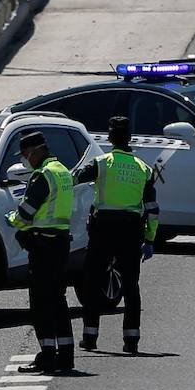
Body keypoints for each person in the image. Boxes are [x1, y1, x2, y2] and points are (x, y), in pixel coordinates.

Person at [75, 116, 159, 354]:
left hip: (104, 229)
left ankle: (90, 337)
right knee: (131, 285)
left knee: (92, 282)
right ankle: (131, 340)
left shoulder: (101, 163)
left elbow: (76, 178)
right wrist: (150, 240)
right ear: (130, 138)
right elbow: (152, 210)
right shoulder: (144, 169)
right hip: (132, 230)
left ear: (110, 138)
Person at [6, 130, 76, 372]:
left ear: (36, 151)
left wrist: (11, 220)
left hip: (43, 245)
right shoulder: (62, 171)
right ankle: (65, 355)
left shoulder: (42, 176)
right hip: (60, 242)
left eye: (26, 154)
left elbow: (26, 213)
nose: (26, 159)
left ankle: (47, 355)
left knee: (40, 303)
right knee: (58, 299)